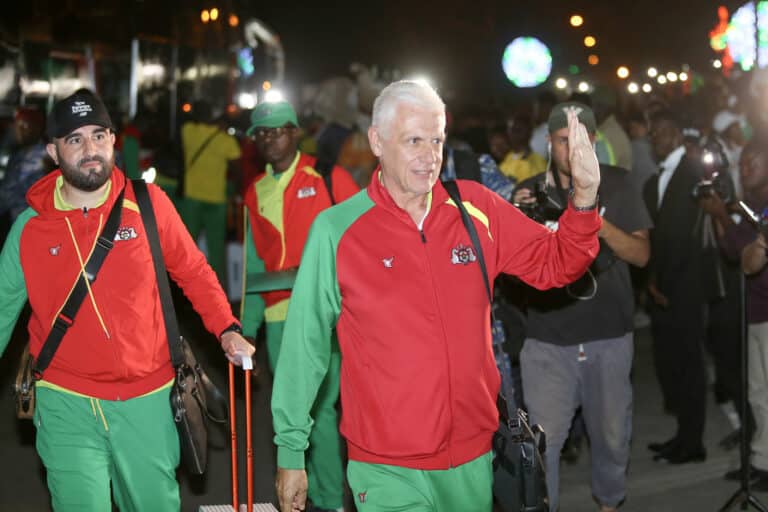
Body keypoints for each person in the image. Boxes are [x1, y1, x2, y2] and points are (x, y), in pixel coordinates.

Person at [271, 80, 602, 512]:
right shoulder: (338, 230)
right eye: (413, 141)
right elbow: (304, 346)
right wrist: (291, 451)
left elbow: (558, 263)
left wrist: (585, 197)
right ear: (376, 141)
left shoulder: (475, 208)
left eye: (437, 141)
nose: (430, 157)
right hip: (385, 465)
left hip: (472, 455)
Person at [0, 90, 254, 512]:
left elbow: (193, 270)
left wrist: (227, 328)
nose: (90, 150)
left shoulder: (149, 205)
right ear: (52, 151)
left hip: (148, 400)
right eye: (75, 140)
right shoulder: (29, 229)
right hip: (65, 400)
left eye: (99, 136)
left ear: (114, 140)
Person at [514, 102, 651, 512]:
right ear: (548, 144)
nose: (572, 150)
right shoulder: (531, 193)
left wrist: (589, 212)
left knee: (611, 438)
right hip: (547, 341)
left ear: (593, 141)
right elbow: (512, 267)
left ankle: (610, 504)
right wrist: (518, 216)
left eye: (581, 141)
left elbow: (642, 254)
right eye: (562, 141)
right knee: (542, 445)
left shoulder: (622, 184)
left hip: (608, 336)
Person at [240, 100, 359, 512]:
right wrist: (245, 328)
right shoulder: (255, 191)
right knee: (292, 416)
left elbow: (362, 237)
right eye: (262, 132)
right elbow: (254, 264)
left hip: (329, 314)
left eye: (278, 130)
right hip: (277, 318)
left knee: (322, 411)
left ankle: (330, 501)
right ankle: (306, 495)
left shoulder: (328, 177)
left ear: (295, 132)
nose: (270, 138)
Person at [700, 138, 768, 486]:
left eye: (752, 164)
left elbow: (742, 252)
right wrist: (722, 214)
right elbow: (733, 250)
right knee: (758, 395)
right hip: (755, 312)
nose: (745, 170)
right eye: (742, 165)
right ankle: (761, 463)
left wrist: (722, 215)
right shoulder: (751, 205)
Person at [643, 109, 709, 464]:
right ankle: (682, 435)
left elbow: (685, 237)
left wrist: (662, 282)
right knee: (671, 364)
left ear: (679, 134)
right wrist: (651, 281)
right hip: (663, 285)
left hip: (684, 284)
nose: (657, 137)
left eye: (664, 131)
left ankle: (693, 442)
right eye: (653, 133)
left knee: (689, 365)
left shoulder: (692, 171)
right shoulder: (658, 178)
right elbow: (657, 234)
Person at [180, 99, 242, 286]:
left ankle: (182, 293)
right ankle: (219, 294)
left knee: (187, 248)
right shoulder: (225, 140)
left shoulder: (188, 132)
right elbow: (237, 167)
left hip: (192, 199)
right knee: (217, 252)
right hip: (216, 200)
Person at [0, 107, 49, 243]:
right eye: (17, 126)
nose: (18, 131)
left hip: (29, 230)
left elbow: (6, 196)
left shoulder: (39, 158)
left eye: (24, 126)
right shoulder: (19, 155)